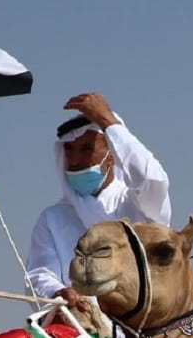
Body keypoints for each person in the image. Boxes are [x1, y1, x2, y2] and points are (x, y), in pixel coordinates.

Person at [26, 92, 171, 308]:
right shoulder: (52, 218)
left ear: (112, 156)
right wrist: (57, 292)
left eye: (87, 149)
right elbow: (39, 276)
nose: (75, 160)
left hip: (142, 321)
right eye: (69, 150)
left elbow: (152, 179)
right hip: (77, 321)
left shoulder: (137, 205)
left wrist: (107, 120)